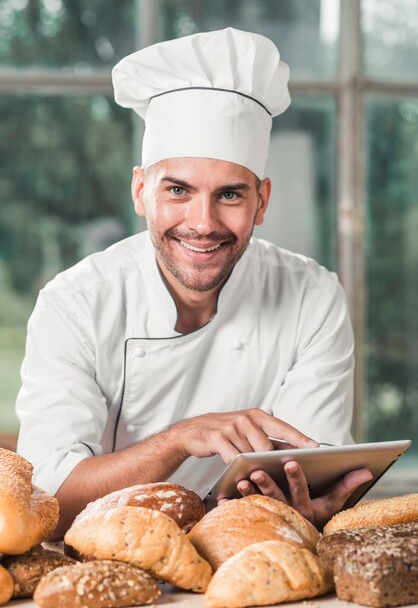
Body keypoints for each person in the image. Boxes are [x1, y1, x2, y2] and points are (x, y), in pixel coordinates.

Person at [16, 28, 372, 537]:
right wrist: (179, 439)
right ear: (141, 191)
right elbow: (48, 503)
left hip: (250, 556)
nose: (202, 223)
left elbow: (312, 472)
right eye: (178, 190)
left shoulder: (311, 297)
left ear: (262, 201)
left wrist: (310, 510)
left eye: (229, 194)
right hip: (107, 565)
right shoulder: (74, 304)